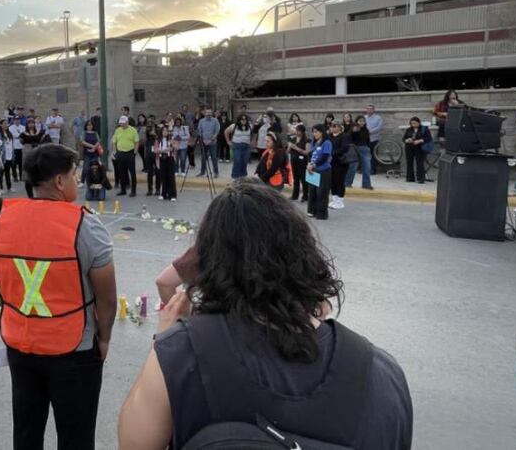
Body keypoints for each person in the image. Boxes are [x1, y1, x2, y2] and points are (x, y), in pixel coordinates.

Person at [118, 179, 413, 450]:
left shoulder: (182, 353)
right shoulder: (380, 369)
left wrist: (162, 340)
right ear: (302, 251)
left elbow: (134, 444)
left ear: (210, 262)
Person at [0, 143, 117, 450]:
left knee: (27, 431)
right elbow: (107, 298)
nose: (78, 181)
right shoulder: (85, 225)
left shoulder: (0, 222)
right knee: (76, 436)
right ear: (59, 181)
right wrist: (105, 337)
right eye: (74, 175)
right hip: (74, 349)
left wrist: (16, 310)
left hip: (20, 342)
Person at [306, 124, 332, 220]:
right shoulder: (314, 142)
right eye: (313, 131)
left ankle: (321, 213)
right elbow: (310, 154)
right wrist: (309, 164)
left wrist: (314, 165)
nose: (314, 133)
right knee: (312, 191)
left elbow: (325, 157)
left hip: (323, 171)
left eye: (316, 131)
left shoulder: (327, 142)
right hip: (313, 170)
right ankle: (312, 211)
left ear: (322, 132)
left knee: (322, 192)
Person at [328, 122, 355, 210]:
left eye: (334, 126)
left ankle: (340, 201)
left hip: (341, 162)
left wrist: (333, 153)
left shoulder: (344, 136)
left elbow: (344, 148)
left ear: (340, 127)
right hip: (331, 162)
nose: (332, 128)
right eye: (331, 126)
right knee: (332, 181)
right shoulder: (329, 136)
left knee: (339, 181)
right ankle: (334, 199)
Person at [19, 119, 47, 198]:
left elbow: (42, 140)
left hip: (37, 152)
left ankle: (40, 194)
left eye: (32, 123)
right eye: (29, 123)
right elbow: (22, 141)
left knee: (38, 174)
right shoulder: (23, 134)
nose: (31, 125)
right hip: (27, 152)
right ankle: (30, 195)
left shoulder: (39, 133)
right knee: (28, 175)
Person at [112, 116, 139, 197]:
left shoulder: (133, 130)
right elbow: (114, 142)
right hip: (120, 153)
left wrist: (135, 152)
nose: (122, 124)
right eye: (121, 123)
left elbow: (136, 142)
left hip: (130, 153)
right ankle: (123, 190)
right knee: (121, 172)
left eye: (123, 123)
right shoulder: (117, 130)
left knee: (132, 173)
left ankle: (133, 191)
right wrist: (115, 152)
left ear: (127, 122)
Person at [346, 115, 374, 190]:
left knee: (367, 167)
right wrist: (353, 131)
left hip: (365, 149)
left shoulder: (366, 130)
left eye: (363, 121)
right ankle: (347, 183)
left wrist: (368, 149)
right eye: (360, 121)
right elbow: (349, 138)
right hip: (354, 149)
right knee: (353, 167)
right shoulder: (353, 129)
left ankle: (366, 184)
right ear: (357, 121)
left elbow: (368, 141)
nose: (362, 122)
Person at [402, 117, 432, 185]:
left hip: (419, 147)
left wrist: (419, 140)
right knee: (409, 162)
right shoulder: (409, 129)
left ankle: (420, 178)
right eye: (412, 123)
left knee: (419, 163)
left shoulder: (424, 129)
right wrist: (407, 140)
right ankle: (410, 178)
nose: (413, 125)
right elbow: (404, 138)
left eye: (415, 123)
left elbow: (428, 138)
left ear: (418, 122)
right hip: (409, 147)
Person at [153, 125, 178, 201]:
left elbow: (176, 147)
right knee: (163, 177)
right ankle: (164, 194)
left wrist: (173, 146)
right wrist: (164, 150)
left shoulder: (171, 139)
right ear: (161, 132)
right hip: (161, 159)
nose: (165, 132)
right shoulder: (158, 140)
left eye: (166, 131)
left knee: (171, 177)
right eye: (164, 131)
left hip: (170, 159)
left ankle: (172, 195)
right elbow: (155, 150)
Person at [225, 114, 252, 179]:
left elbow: (254, 133)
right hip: (237, 146)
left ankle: (243, 176)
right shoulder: (234, 126)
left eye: (245, 119)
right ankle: (235, 176)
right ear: (239, 120)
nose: (244, 120)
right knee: (237, 161)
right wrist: (228, 141)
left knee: (244, 161)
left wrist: (253, 141)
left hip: (246, 146)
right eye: (242, 119)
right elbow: (226, 132)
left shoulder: (250, 126)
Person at [288, 124, 310, 202]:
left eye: (299, 131)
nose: (297, 132)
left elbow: (307, 152)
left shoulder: (306, 140)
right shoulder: (293, 139)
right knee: (295, 179)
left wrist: (296, 148)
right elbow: (288, 151)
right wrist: (289, 147)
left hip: (302, 162)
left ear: (302, 131)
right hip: (294, 161)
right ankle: (295, 195)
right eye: (296, 130)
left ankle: (305, 196)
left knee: (303, 179)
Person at [196, 108, 221, 178]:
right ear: (205, 114)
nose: (208, 115)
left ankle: (216, 173)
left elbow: (217, 131)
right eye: (207, 113)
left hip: (212, 143)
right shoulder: (201, 121)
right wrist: (203, 140)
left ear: (212, 114)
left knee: (214, 158)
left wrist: (211, 140)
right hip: (203, 142)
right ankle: (202, 172)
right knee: (203, 158)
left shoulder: (215, 121)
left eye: (210, 113)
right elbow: (199, 131)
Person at [0, 119, 16, 192]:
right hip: (2, 156)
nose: (6, 125)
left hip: (9, 155)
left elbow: (11, 144)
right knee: (1, 173)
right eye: (4, 123)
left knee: (8, 172)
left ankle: (9, 187)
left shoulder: (9, 133)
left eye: (7, 124)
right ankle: (0, 188)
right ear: (1, 125)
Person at [364, 104, 383, 174]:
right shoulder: (364, 117)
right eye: (367, 109)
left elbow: (379, 127)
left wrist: (370, 132)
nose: (369, 110)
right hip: (365, 139)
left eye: (371, 109)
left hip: (374, 139)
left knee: (373, 154)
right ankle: (365, 169)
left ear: (373, 110)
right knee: (365, 154)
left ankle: (373, 170)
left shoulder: (378, 118)